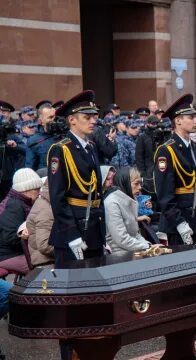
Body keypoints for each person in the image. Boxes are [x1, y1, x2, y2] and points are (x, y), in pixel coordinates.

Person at [47, 90, 105, 266]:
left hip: (93, 228)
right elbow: (58, 198)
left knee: (96, 287)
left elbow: (97, 192)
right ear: (72, 120)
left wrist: (102, 232)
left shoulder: (91, 147)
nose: (93, 121)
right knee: (73, 288)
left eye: (94, 116)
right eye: (87, 117)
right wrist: (71, 234)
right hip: (73, 230)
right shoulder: (61, 149)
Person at [153, 94, 196, 246]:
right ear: (177, 120)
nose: (195, 121)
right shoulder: (166, 150)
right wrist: (179, 223)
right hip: (178, 221)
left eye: (195, 117)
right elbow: (165, 194)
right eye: (190, 117)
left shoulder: (195, 148)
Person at [0, 168, 42, 273]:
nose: (39, 193)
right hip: (7, 254)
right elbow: (10, 237)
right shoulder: (14, 205)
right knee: (42, 269)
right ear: (27, 189)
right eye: (37, 189)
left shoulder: (21, 202)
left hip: (12, 252)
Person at [103, 166, 151, 255]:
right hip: (118, 254)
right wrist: (147, 247)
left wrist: (148, 245)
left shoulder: (129, 199)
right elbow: (121, 239)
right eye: (136, 184)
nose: (140, 187)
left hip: (133, 249)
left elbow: (135, 233)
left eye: (140, 183)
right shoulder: (112, 202)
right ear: (125, 183)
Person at [26, 176, 55, 267]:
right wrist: (70, 249)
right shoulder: (46, 209)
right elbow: (44, 246)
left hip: (50, 261)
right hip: (48, 264)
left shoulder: (44, 202)